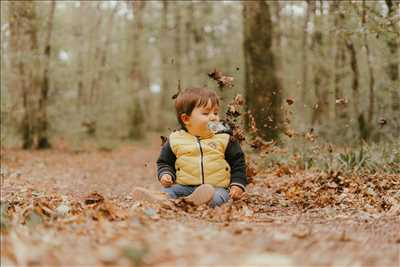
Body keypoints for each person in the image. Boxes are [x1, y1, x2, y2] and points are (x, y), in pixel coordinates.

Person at [155, 87, 247, 207]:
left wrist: (237, 184)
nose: (214, 117)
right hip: (184, 187)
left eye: (215, 112)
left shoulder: (224, 138)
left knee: (217, 198)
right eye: (206, 113)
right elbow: (164, 162)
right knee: (168, 192)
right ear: (186, 119)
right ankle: (164, 200)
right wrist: (166, 175)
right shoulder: (175, 139)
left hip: (216, 188)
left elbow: (238, 163)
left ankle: (193, 203)